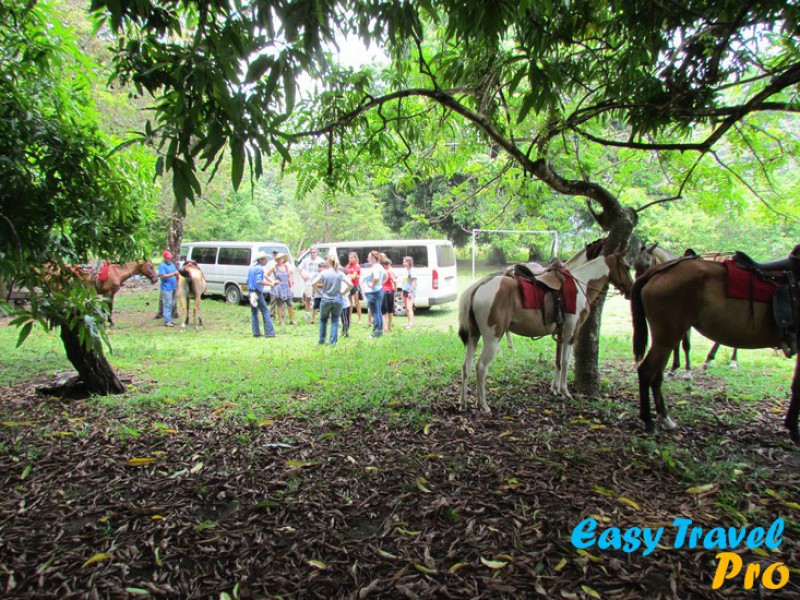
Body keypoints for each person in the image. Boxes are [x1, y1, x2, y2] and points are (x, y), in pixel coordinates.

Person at [311, 255, 352, 345]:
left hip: (326, 299)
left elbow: (313, 283)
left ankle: (321, 340)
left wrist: (319, 292)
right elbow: (350, 285)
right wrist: (343, 292)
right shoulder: (340, 273)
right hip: (337, 299)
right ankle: (332, 342)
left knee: (323, 320)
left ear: (328, 262)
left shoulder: (324, 273)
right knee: (335, 321)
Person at [247, 251, 276, 338]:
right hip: (257, 292)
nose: (266, 260)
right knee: (265, 311)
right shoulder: (259, 268)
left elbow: (247, 280)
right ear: (261, 260)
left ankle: (256, 332)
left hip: (251, 291)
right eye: (265, 259)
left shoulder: (251, 267)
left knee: (254, 311)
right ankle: (269, 332)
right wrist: (270, 284)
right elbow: (259, 281)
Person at [362, 250, 386, 338]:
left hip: (373, 293)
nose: (367, 259)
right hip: (378, 291)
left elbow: (376, 278)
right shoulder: (380, 266)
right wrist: (380, 284)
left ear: (373, 258)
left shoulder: (375, 267)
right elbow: (386, 277)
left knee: (375, 313)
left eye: (369, 257)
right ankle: (379, 331)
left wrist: (372, 285)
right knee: (378, 312)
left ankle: (376, 333)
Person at [299, 246, 325, 324]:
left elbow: (325, 269)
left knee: (320, 297)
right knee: (308, 297)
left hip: (318, 282)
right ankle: (307, 313)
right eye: (311, 252)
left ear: (317, 252)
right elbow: (299, 268)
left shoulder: (320, 260)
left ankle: (322, 314)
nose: (312, 254)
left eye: (314, 252)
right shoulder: (306, 260)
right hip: (309, 281)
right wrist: (303, 276)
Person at [269, 253, 296, 326]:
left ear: (283, 259)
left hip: (286, 287)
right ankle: (281, 321)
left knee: (290, 304)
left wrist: (291, 287)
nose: (280, 259)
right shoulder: (274, 268)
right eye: (279, 258)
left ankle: (292, 320)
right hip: (279, 288)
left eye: (281, 258)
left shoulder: (286, 267)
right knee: (279, 305)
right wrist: (273, 282)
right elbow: (266, 275)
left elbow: (289, 277)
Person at [156, 250, 179, 327]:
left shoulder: (172, 265)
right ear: (164, 258)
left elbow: (176, 273)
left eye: (170, 257)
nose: (169, 259)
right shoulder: (162, 265)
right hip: (166, 288)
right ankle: (166, 321)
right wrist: (173, 274)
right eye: (167, 258)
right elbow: (162, 276)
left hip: (173, 287)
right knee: (167, 304)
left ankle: (170, 319)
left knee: (172, 303)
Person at [380, 256, 397, 333]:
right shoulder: (389, 272)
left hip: (383, 291)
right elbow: (394, 281)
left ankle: (385, 327)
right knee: (390, 310)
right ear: (387, 265)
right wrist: (395, 288)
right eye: (389, 264)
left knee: (383, 311)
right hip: (390, 291)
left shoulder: (382, 272)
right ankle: (389, 327)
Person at [401, 255, 418, 329]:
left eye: (405, 262)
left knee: (409, 308)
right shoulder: (406, 270)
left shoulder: (412, 271)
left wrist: (410, 292)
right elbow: (404, 282)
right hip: (404, 291)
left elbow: (414, 282)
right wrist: (402, 291)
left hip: (410, 291)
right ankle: (408, 322)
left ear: (409, 262)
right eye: (403, 262)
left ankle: (411, 324)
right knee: (406, 308)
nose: (403, 263)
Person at [345, 252, 362, 323]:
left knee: (356, 302)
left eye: (352, 258)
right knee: (349, 302)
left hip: (355, 285)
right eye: (349, 258)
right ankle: (349, 319)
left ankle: (360, 319)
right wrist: (350, 275)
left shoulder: (357, 266)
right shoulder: (348, 265)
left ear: (355, 258)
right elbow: (345, 274)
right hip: (349, 285)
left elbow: (354, 276)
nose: (350, 259)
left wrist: (350, 275)